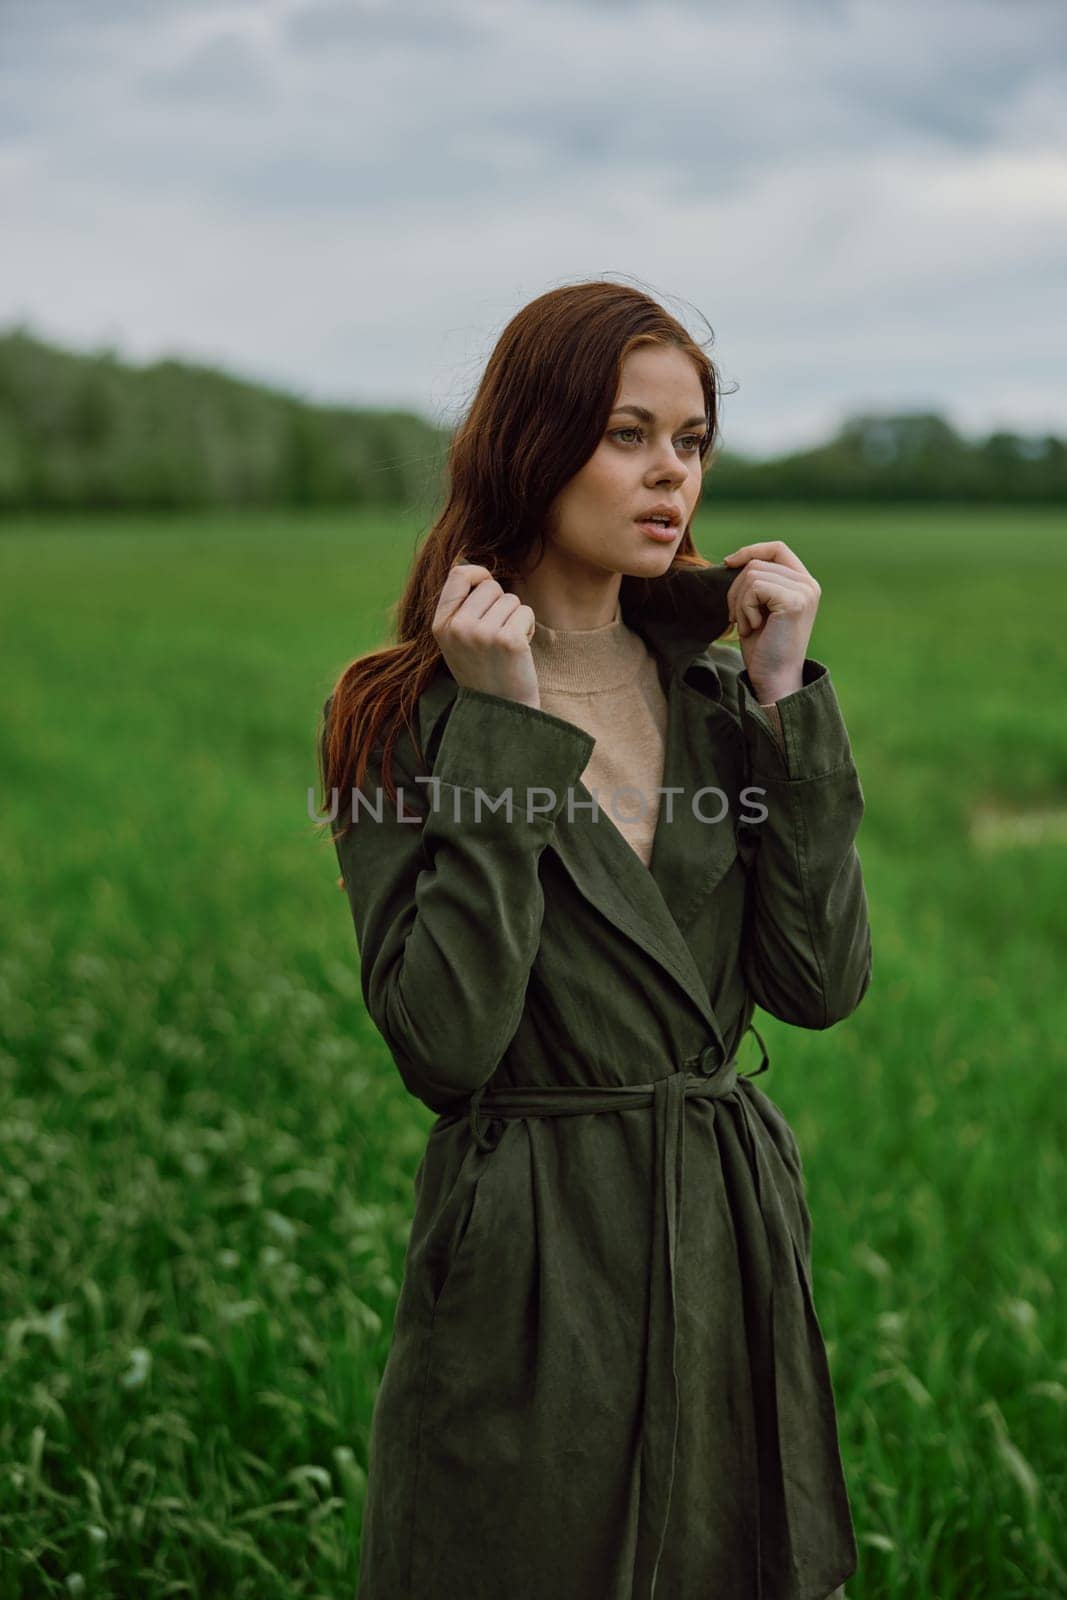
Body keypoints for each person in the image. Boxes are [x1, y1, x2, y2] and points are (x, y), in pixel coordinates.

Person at [317, 280, 871, 1600]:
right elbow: (446, 1047)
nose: (669, 473)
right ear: (532, 440)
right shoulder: (400, 718)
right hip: (531, 1264)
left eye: (691, 440)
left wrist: (789, 697)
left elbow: (820, 983)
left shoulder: (726, 689)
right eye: (628, 433)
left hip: (721, 1233)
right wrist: (504, 734)